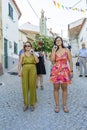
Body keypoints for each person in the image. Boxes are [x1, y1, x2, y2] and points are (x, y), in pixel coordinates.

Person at [50, 36, 73, 113]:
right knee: (56, 88)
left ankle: (65, 105)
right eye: (56, 41)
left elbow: (70, 61)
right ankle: (57, 105)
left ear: (62, 41)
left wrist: (71, 71)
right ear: (55, 42)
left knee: (64, 88)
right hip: (56, 71)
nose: (58, 41)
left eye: (59, 40)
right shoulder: (54, 50)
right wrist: (53, 51)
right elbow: (52, 60)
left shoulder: (66, 50)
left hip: (64, 71)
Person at [18, 41, 39, 112]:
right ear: (24, 47)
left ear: (31, 46)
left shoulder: (33, 53)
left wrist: (33, 54)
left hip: (33, 69)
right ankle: (25, 104)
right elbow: (20, 63)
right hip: (25, 69)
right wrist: (19, 71)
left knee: (32, 86)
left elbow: (37, 61)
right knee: (25, 86)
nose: (27, 47)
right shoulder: (22, 54)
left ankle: (32, 104)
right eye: (26, 46)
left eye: (29, 46)